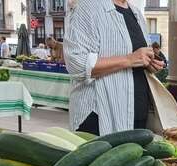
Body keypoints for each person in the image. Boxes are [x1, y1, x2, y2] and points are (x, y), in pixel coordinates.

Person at [64, 0, 164, 135]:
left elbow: (137, 58)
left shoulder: (137, 14)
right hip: (100, 117)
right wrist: (129, 59)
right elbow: (76, 63)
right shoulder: (87, 7)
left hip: (137, 115)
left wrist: (148, 64)